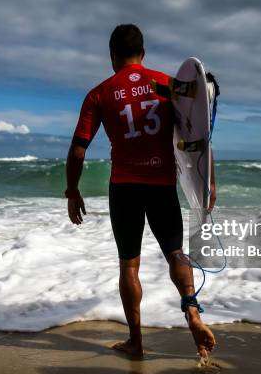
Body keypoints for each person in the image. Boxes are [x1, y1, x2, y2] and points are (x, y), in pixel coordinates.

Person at [65, 23, 216, 359]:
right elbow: (199, 133)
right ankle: (192, 311)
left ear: (112, 56)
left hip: (124, 188)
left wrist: (72, 191)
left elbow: (78, 150)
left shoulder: (99, 93)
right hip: (162, 185)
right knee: (175, 253)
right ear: (143, 54)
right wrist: (208, 181)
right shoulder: (167, 84)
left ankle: (135, 342)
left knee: (129, 266)